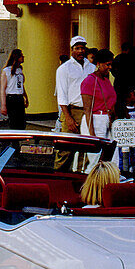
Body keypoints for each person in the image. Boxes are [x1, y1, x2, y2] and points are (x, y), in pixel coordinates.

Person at [54, 35, 95, 169]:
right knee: (66, 148)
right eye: (77, 48)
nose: (80, 51)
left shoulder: (92, 67)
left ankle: (80, 178)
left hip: (89, 111)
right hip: (72, 111)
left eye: (82, 48)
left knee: (86, 148)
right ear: (72, 50)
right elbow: (62, 95)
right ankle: (58, 178)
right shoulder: (64, 69)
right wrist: (68, 117)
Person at [80, 50, 116, 139]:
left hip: (107, 121)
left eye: (111, 64)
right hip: (95, 122)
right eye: (108, 64)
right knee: (95, 152)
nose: (110, 67)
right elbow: (87, 110)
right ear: (99, 64)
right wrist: (92, 135)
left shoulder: (106, 81)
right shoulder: (90, 81)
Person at [0, 49, 29, 128]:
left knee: (21, 122)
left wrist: (26, 97)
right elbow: (3, 89)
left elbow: (21, 85)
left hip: (19, 97)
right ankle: (13, 139)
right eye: (21, 56)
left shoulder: (19, 70)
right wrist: (3, 105)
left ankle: (19, 138)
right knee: (14, 121)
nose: (23, 57)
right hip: (11, 98)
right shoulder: (6, 71)